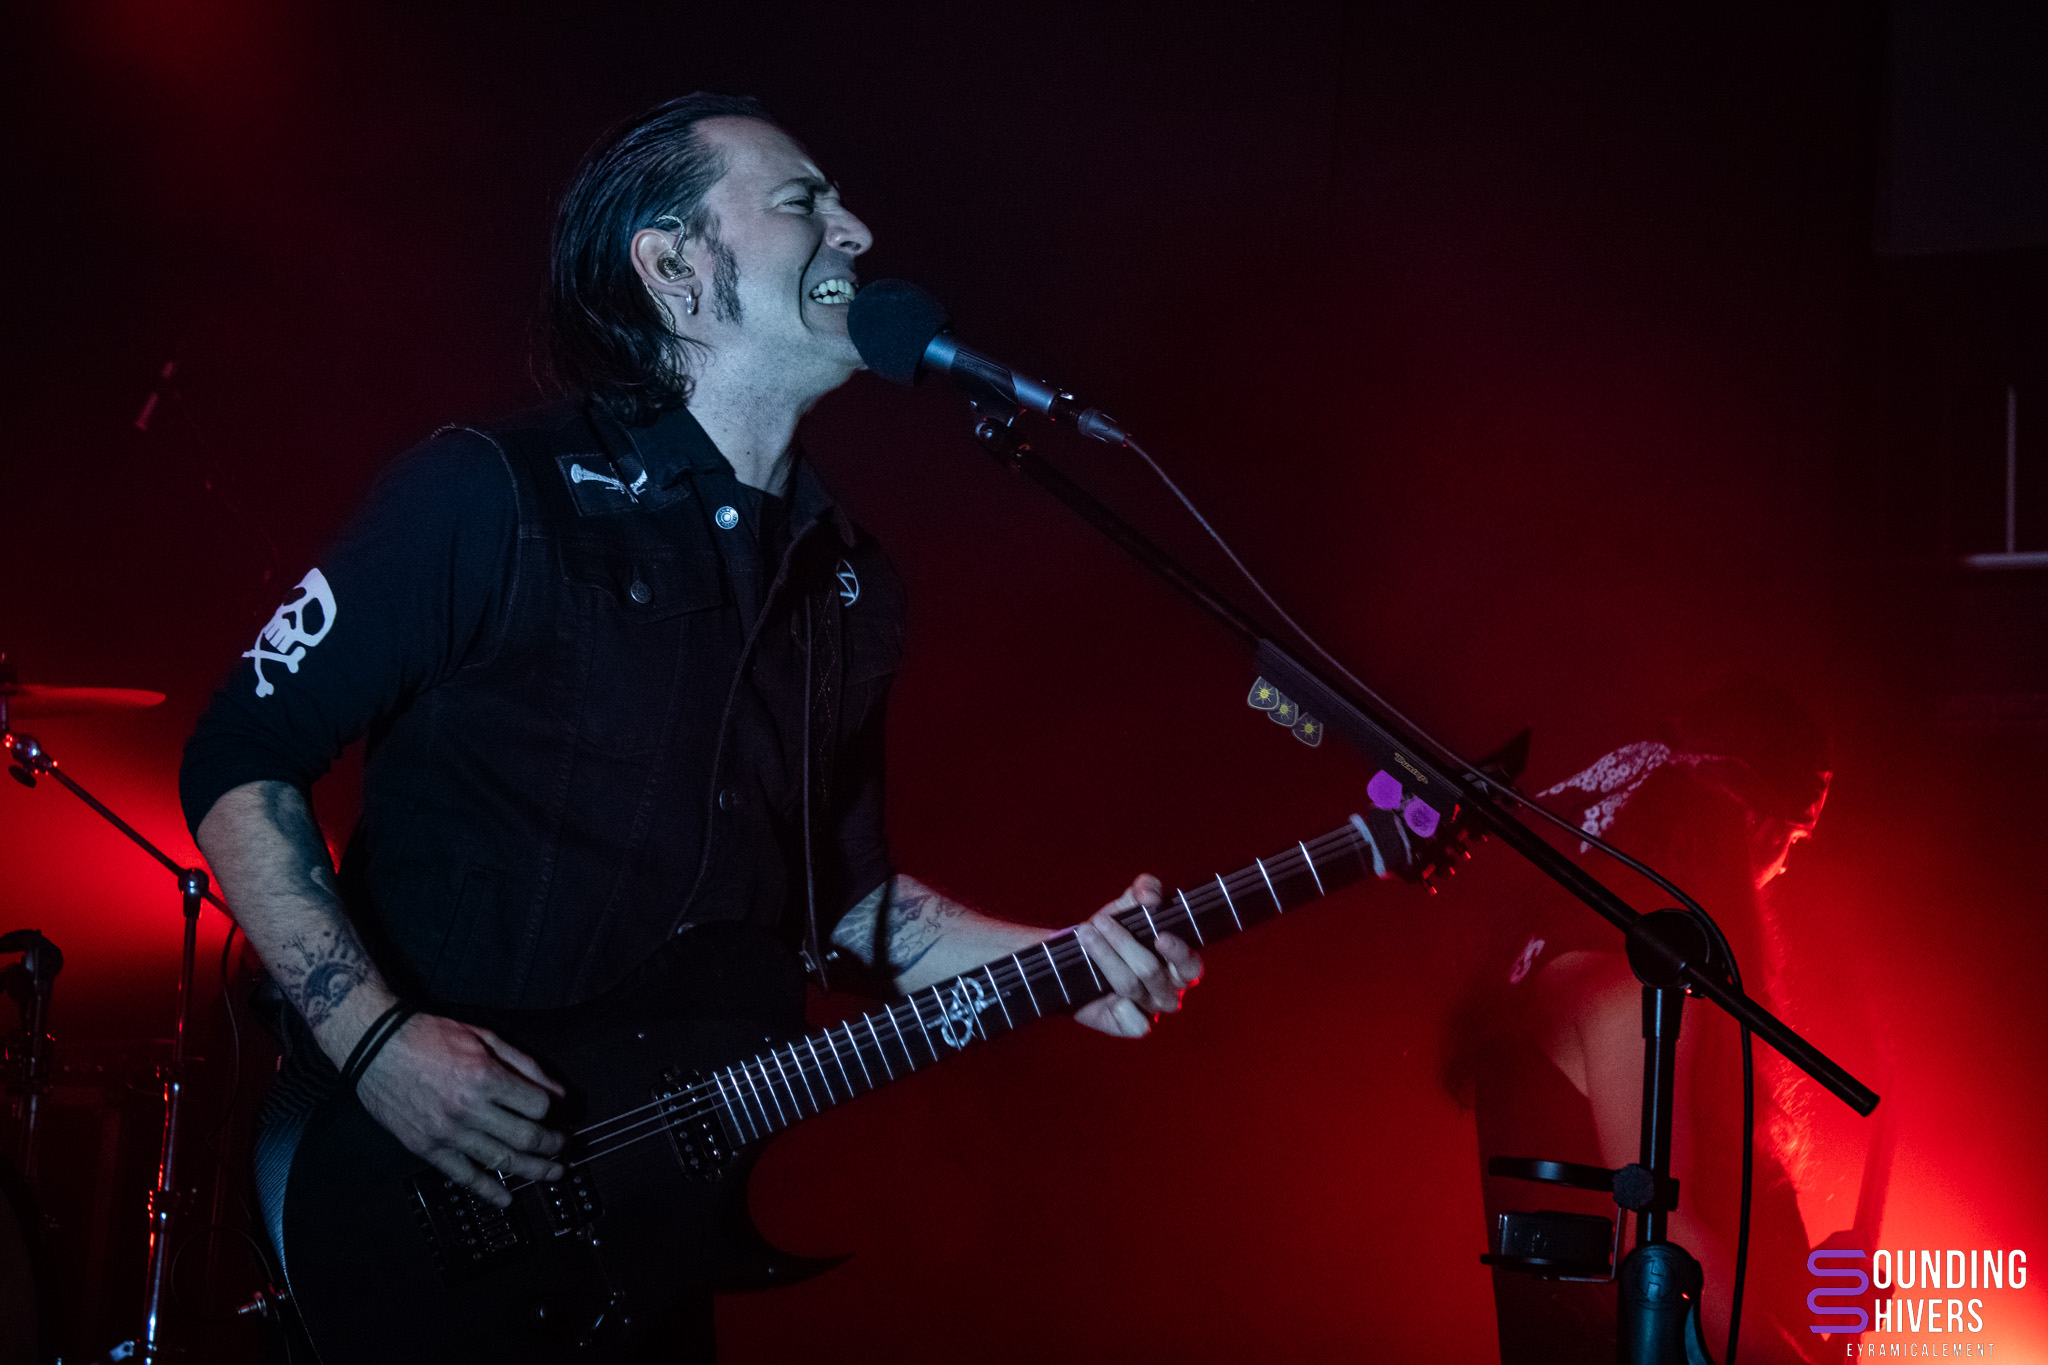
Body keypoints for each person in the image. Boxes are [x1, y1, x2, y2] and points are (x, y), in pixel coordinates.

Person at [178, 93, 1202, 1355]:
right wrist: (377, 1043)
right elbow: (240, 758)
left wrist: (1059, 959)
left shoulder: (848, 583)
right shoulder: (489, 493)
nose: (855, 230)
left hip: (640, 1242)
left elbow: (846, 906)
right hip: (410, 1190)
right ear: (670, 266)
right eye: (802, 201)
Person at [1444, 676, 1833, 1363]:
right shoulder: (1630, 991)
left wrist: (1807, 1283)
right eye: (1793, 840)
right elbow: (1660, 1241)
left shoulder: (1562, 959)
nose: (1782, 869)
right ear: (1755, 824)